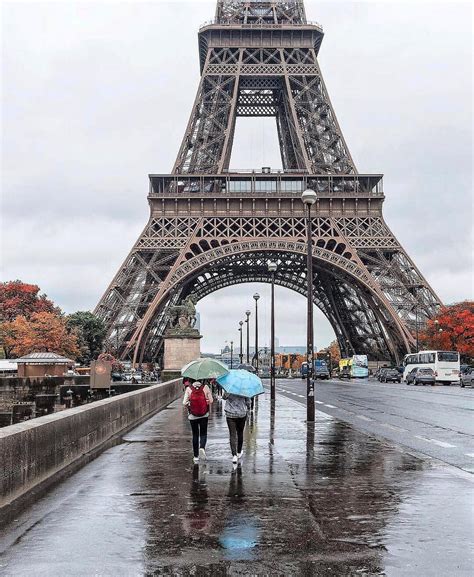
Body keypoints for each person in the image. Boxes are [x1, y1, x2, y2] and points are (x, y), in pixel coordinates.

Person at [183, 380, 213, 463]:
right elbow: (211, 400)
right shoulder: (206, 387)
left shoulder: (189, 389)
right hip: (204, 415)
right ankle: (202, 447)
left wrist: (190, 403)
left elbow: (184, 402)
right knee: (203, 433)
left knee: (195, 435)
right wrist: (205, 401)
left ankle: (195, 456)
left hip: (192, 416)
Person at [223, 392, 251, 464]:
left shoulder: (229, 389)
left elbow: (224, 397)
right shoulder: (244, 389)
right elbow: (248, 402)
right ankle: (239, 452)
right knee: (240, 433)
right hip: (241, 414)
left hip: (230, 414)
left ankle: (234, 455)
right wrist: (248, 407)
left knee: (232, 434)